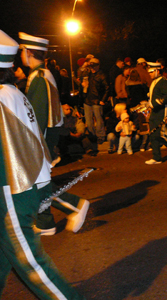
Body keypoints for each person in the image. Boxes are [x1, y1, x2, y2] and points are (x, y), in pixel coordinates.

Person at [0, 29, 85, 300]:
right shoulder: (12, 91)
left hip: (10, 192)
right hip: (23, 184)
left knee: (31, 263)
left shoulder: (7, 94)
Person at [19, 32, 63, 166]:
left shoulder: (39, 77)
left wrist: (32, 139)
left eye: (22, 51)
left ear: (29, 52)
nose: (21, 55)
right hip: (46, 135)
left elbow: (38, 113)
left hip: (42, 136)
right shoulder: (41, 74)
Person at [145, 62, 167, 165]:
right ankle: (156, 157)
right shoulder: (154, 82)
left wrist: (153, 104)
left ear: (157, 71)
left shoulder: (164, 82)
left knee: (161, 135)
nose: (150, 74)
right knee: (153, 134)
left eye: (151, 72)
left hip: (162, 111)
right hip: (155, 112)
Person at [82, 57, 109, 144]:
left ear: (98, 66)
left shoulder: (101, 75)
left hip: (97, 100)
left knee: (99, 120)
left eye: (94, 66)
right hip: (88, 100)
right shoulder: (88, 74)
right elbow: (81, 72)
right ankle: (92, 136)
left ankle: (100, 136)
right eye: (91, 67)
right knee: (89, 121)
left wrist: (102, 100)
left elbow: (107, 88)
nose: (92, 68)